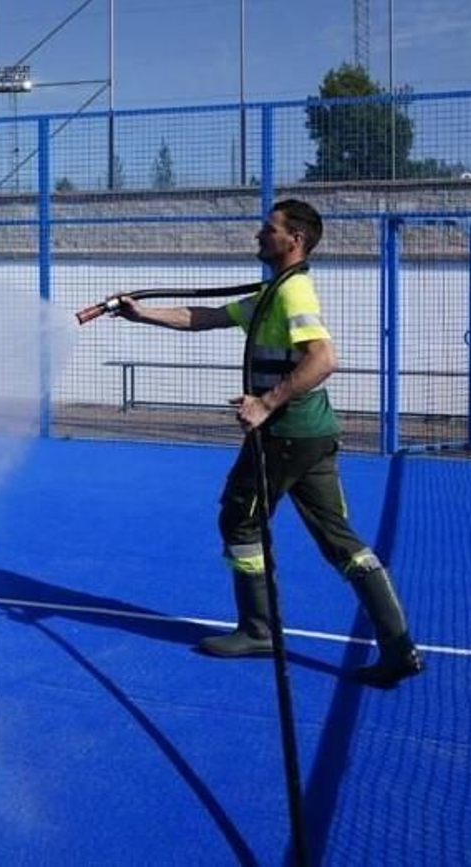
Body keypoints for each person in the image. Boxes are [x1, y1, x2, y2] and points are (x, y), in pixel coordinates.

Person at [113, 199, 423, 689]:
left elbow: (323, 359)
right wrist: (142, 314)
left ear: (294, 239)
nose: (260, 234)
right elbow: (206, 317)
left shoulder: (292, 293)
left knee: (239, 515)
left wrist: (266, 403)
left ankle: (259, 631)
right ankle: (399, 648)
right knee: (339, 540)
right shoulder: (273, 289)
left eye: (270, 228)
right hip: (313, 434)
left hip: (285, 435)